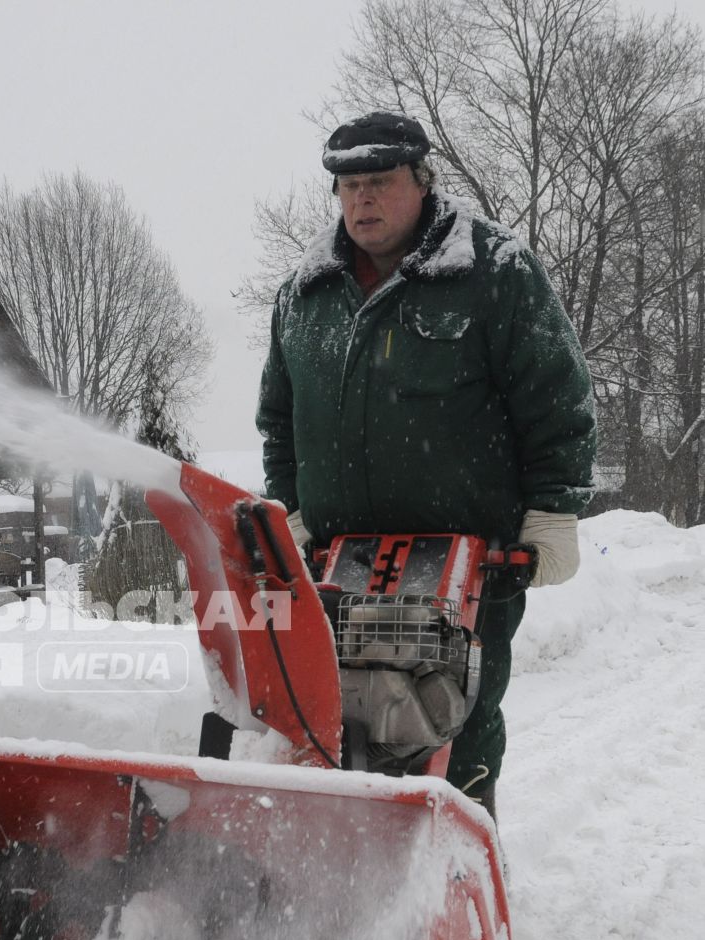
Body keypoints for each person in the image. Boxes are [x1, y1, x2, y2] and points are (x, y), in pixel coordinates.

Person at [255, 111, 597, 816]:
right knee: (335, 721)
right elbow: (280, 421)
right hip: (340, 559)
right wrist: (289, 506)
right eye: (348, 186)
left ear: (422, 179)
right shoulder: (305, 293)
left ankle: (460, 868)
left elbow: (554, 395)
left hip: (470, 558)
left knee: (455, 720)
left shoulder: (493, 270)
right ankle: (341, 869)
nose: (362, 200)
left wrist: (553, 511)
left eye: (379, 182)